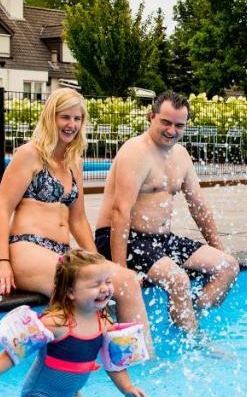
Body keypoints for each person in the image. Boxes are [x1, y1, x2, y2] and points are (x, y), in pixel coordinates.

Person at [0, 89, 152, 352]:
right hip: (27, 248)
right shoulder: (30, 154)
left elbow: (78, 220)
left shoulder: (74, 162)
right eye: (65, 117)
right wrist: (1, 261)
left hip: (62, 254)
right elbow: (2, 209)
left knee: (127, 280)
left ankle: (139, 361)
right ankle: (36, 344)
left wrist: (99, 261)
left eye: (77, 118)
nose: (71, 125)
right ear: (51, 117)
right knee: (87, 287)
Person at [93, 91, 238, 332]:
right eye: (166, 122)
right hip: (124, 237)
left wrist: (218, 248)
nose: (172, 130)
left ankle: (188, 318)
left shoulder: (181, 156)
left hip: (161, 240)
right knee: (178, 279)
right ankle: (194, 340)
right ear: (151, 117)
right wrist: (120, 273)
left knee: (228, 266)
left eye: (179, 125)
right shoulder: (135, 152)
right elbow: (120, 211)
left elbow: (198, 206)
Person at [0, 249, 150, 397]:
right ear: (70, 292)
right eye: (96, 284)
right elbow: (15, 351)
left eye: (108, 281)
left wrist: (127, 388)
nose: (105, 289)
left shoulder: (104, 323)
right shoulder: (56, 322)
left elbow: (114, 364)